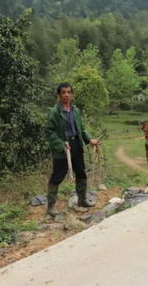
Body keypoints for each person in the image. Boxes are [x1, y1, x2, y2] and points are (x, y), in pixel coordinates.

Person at [45, 82, 100, 217]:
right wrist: (60, 144)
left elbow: (81, 128)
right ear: (59, 95)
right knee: (58, 175)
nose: (66, 95)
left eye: (69, 92)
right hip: (63, 147)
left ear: (72, 94)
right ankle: (51, 206)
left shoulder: (75, 110)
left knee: (81, 172)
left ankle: (82, 200)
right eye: (63, 92)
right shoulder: (55, 112)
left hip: (76, 145)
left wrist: (89, 140)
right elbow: (49, 132)